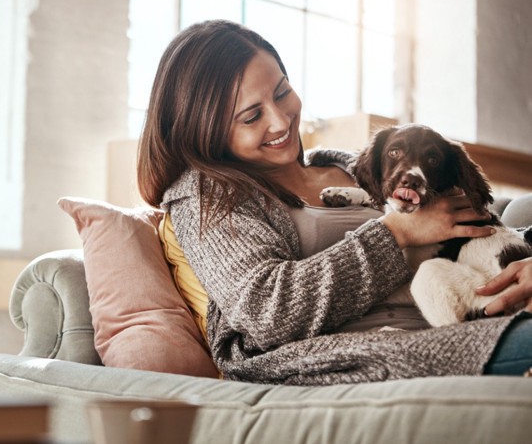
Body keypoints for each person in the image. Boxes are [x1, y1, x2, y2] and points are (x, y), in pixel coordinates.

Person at [136, 19, 532, 386]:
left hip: (480, 302)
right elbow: (267, 311)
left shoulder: (349, 165)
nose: (281, 120)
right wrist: (395, 233)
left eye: (282, 92)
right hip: (398, 345)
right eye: (252, 116)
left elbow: (480, 234)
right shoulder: (208, 196)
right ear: (206, 131)